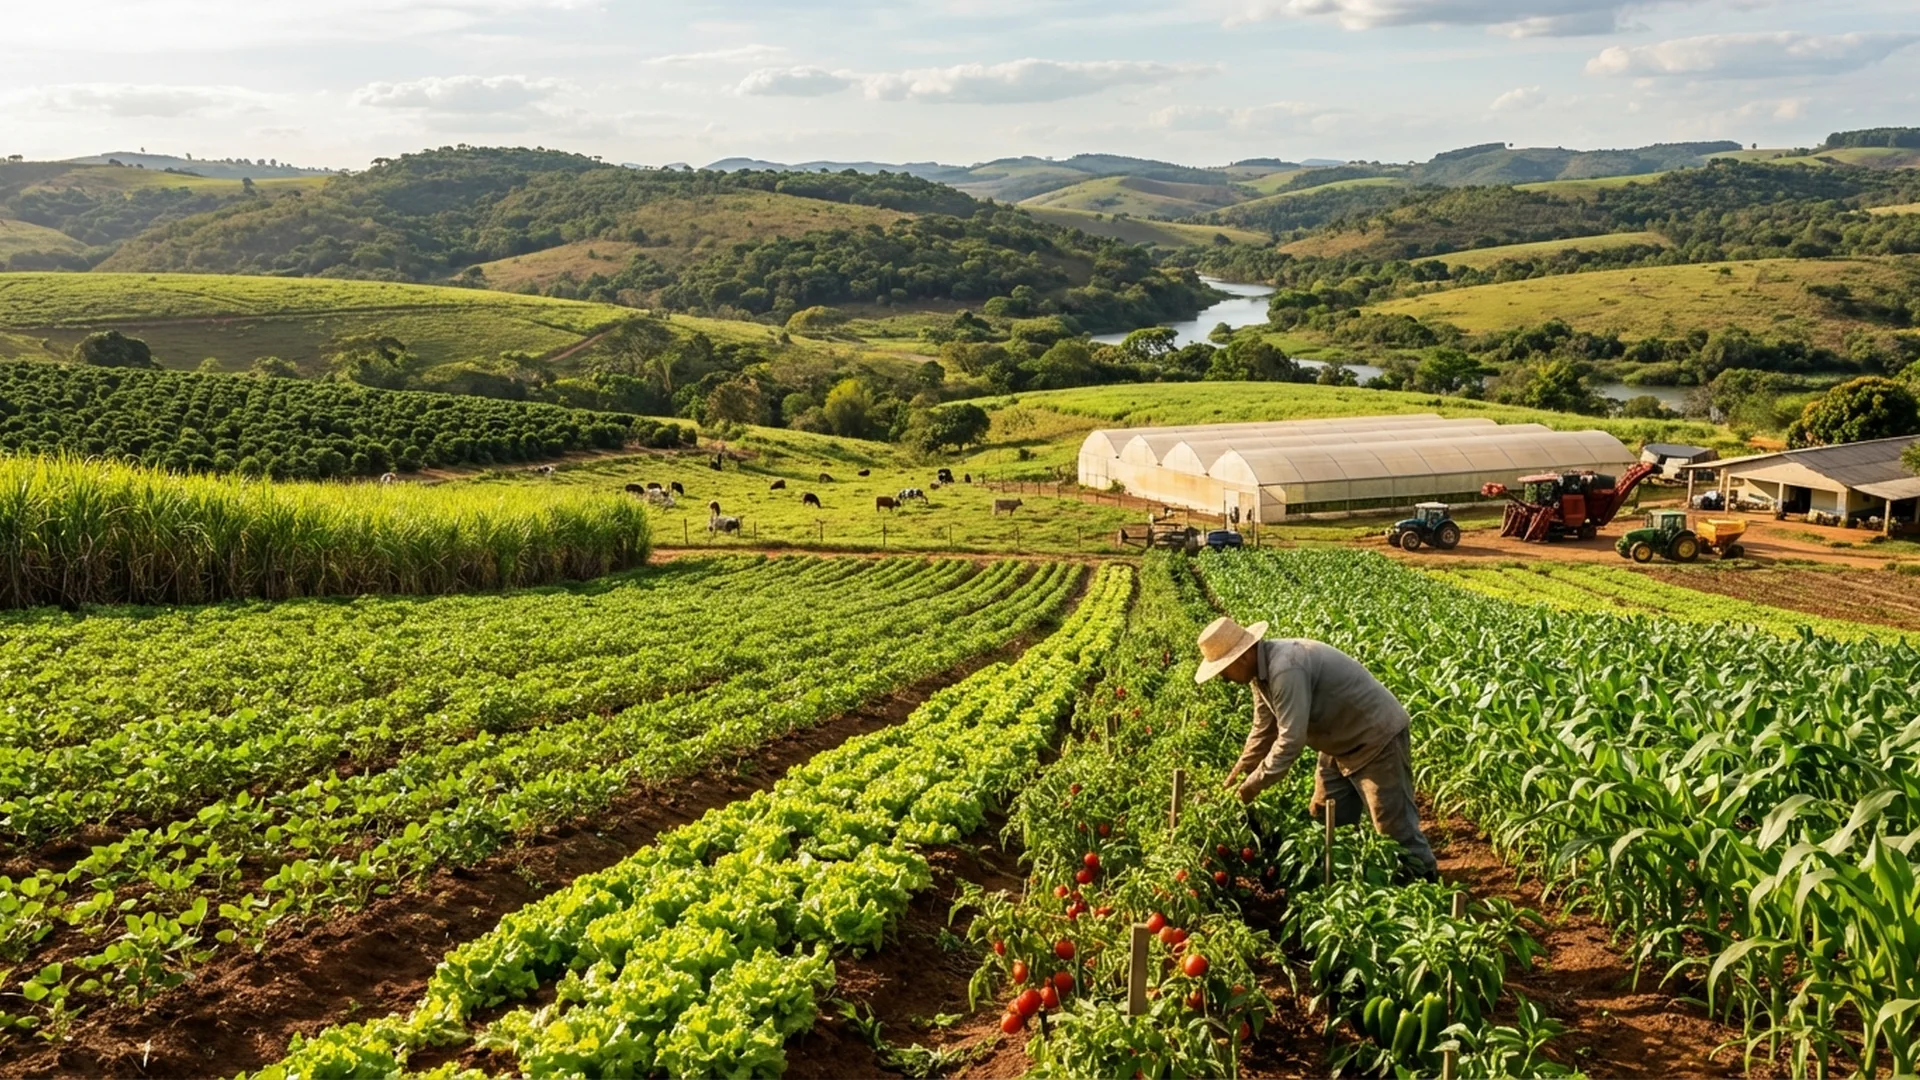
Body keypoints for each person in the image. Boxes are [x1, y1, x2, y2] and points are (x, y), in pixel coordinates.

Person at [1193, 614, 1438, 883]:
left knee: (1393, 828)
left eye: (1223, 670)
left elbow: (1290, 740)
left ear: (1240, 658)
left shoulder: (1285, 667)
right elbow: (1263, 730)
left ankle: (1425, 886)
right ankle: (1354, 880)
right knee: (1326, 815)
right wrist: (1238, 775)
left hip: (1375, 738)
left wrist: (1250, 788)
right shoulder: (1259, 676)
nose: (1224, 679)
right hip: (1338, 744)